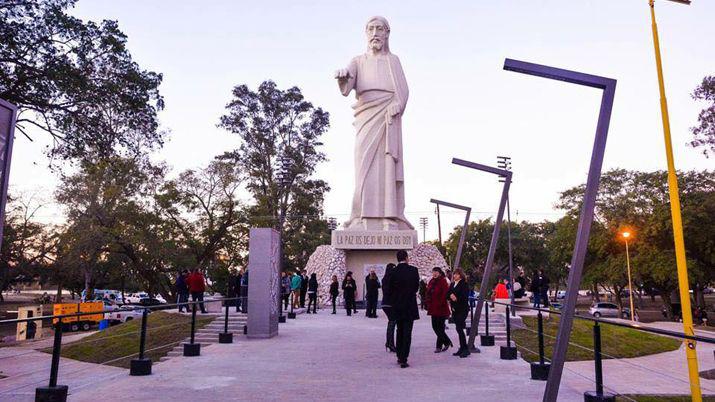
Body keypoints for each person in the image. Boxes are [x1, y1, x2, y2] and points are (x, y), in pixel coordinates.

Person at [388, 250, 419, 368]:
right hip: (409, 305)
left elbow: (389, 289)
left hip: (397, 306)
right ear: (406, 257)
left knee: (399, 330)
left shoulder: (393, 272)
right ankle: (404, 357)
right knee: (407, 332)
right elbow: (416, 287)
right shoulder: (413, 270)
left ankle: (399, 355)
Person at [426, 267, 452, 353]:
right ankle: (447, 341)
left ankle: (439, 346)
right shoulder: (431, 281)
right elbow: (428, 292)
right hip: (433, 307)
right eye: (433, 272)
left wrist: (440, 303)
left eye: (436, 272)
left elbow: (445, 294)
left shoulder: (443, 281)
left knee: (440, 327)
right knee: (435, 326)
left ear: (440, 273)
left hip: (441, 308)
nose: (434, 273)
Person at [382, 263, 397, 353]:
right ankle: (390, 343)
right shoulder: (392, 279)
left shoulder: (384, 279)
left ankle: (389, 342)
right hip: (391, 303)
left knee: (390, 323)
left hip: (385, 303)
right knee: (392, 323)